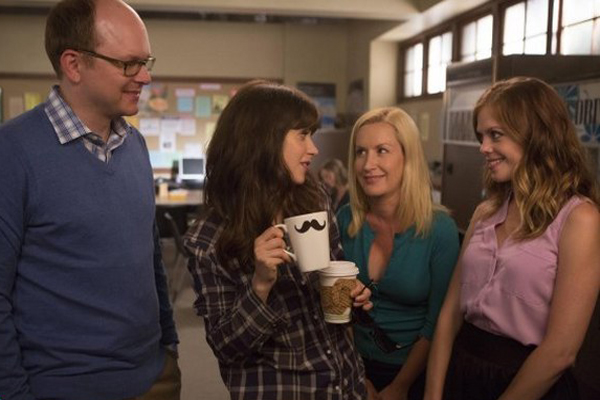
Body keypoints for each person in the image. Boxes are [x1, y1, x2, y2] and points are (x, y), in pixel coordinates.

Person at [0, 0, 180, 399]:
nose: (146, 76)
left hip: (155, 375)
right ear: (74, 64)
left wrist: (169, 343)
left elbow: (149, 253)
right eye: (129, 64)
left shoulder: (134, 145)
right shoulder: (12, 153)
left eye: (146, 61)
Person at [183, 80, 372, 399]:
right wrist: (260, 285)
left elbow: (333, 297)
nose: (313, 148)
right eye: (302, 135)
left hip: (345, 385)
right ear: (264, 140)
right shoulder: (208, 238)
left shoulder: (314, 198)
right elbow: (227, 348)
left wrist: (350, 294)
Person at [424, 77, 600, 400]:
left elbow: (560, 351)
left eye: (495, 135)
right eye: (481, 136)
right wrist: (432, 395)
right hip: (462, 374)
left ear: (536, 136)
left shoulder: (579, 219)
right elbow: (449, 316)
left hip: (529, 383)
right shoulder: (485, 212)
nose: (483, 148)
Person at [336, 107, 460, 400]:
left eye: (382, 151)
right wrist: (358, 375)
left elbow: (438, 322)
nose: (368, 164)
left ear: (408, 157)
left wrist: (401, 386)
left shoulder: (439, 229)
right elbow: (338, 308)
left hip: (416, 372)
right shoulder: (346, 219)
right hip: (352, 367)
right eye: (361, 152)